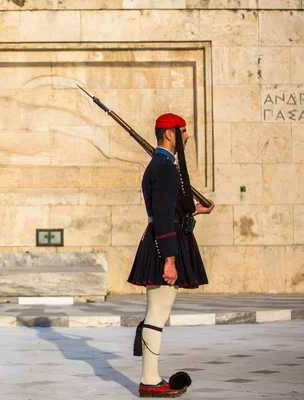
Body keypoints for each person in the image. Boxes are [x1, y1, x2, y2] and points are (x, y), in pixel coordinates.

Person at [127, 113, 214, 398]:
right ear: (169, 134)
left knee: (157, 313)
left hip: (163, 241)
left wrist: (193, 210)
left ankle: (150, 378)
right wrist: (170, 259)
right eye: (183, 131)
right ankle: (150, 381)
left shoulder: (164, 165)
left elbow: (170, 207)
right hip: (163, 244)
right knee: (157, 314)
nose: (187, 136)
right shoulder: (163, 167)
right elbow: (163, 215)